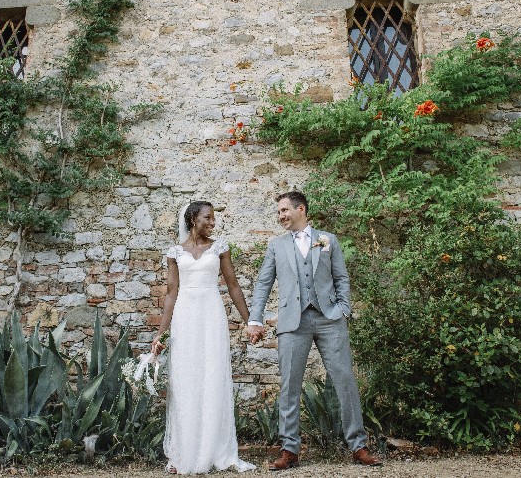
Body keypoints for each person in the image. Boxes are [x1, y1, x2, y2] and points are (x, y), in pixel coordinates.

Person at [246, 191, 382, 469]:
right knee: (289, 386)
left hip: (329, 318)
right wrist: (255, 319)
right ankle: (289, 450)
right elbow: (263, 284)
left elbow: (341, 277)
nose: (281, 216)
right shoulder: (277, 246)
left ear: (301, 209)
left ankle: (359, 446)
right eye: (279, 212)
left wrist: (344, 309)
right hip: (292, 322)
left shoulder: (328, 240)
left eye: (285, 210)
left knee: (345, 379)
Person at [151, 201, 256, 474]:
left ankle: (217, 449)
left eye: (213, 218)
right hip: (186, 317)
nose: (212, 222)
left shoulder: (220, 248)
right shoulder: (175, 253)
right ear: (193, 219)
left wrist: (250, 321)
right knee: (186, 378)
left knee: (212, 375)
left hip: (211, 315)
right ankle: (185, 452)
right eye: (208, 217)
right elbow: (171, 293)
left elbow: (232, 285)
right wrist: (161, 334)